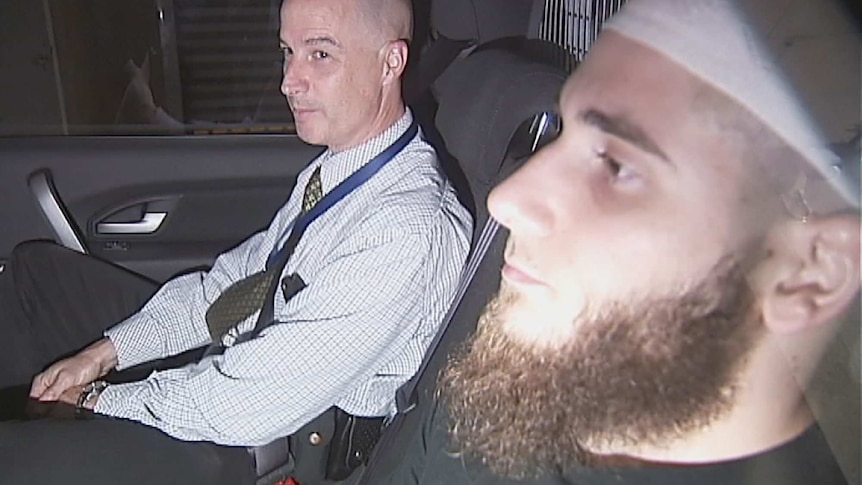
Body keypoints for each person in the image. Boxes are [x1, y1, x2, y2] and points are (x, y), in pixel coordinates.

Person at [359, 0, 860, 484]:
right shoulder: (523, 373)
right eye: (563, 133)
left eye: (618, 165)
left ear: (809, 274)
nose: (507, 200)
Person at [0, 0, 472, 482]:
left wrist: (92, 399)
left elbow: (242, 403)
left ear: (390, 62)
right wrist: (102, 354)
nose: (289, 80)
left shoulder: (405, 228)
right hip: (243, 361)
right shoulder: (343, 170)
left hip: (267, 443)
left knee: (15, 456)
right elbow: (227, 289)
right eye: (288, 52)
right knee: (36, 276)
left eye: (320, 55)